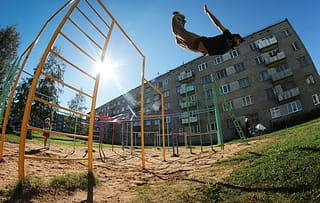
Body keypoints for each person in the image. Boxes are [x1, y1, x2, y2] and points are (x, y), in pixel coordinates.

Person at [172, 4, 244, 56]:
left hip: (197, 47)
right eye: (239, 41)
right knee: (179, 32)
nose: (239, 44)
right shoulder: (229, 36)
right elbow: (218, 24)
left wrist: (205, 52)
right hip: (199, 41)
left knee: (179, 41)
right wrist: (208, 12)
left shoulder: (230, 48)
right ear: (236, 37)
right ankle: (178, 16)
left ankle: (182, 21)